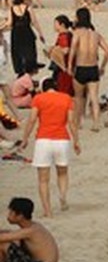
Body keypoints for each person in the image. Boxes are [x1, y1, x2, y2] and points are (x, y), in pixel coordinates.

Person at [16, 78, 79, 217]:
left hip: (43, 140)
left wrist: (25, 139)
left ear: (44, 88)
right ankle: (62, 195)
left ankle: (48, 211)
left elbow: (32, 120)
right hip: (62, 139)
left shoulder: (39, 98)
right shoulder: (66, 98)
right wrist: (76, 141)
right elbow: (71, 122)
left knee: (43, 179)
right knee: (62, 172)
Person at [0, 196, 58, 262]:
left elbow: (2, 238)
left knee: (4, 244)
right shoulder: (32, 227)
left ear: (20, 216)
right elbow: (10, 234)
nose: (8, 215)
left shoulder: (31, 231)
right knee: (8, 241)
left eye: (11, 212)